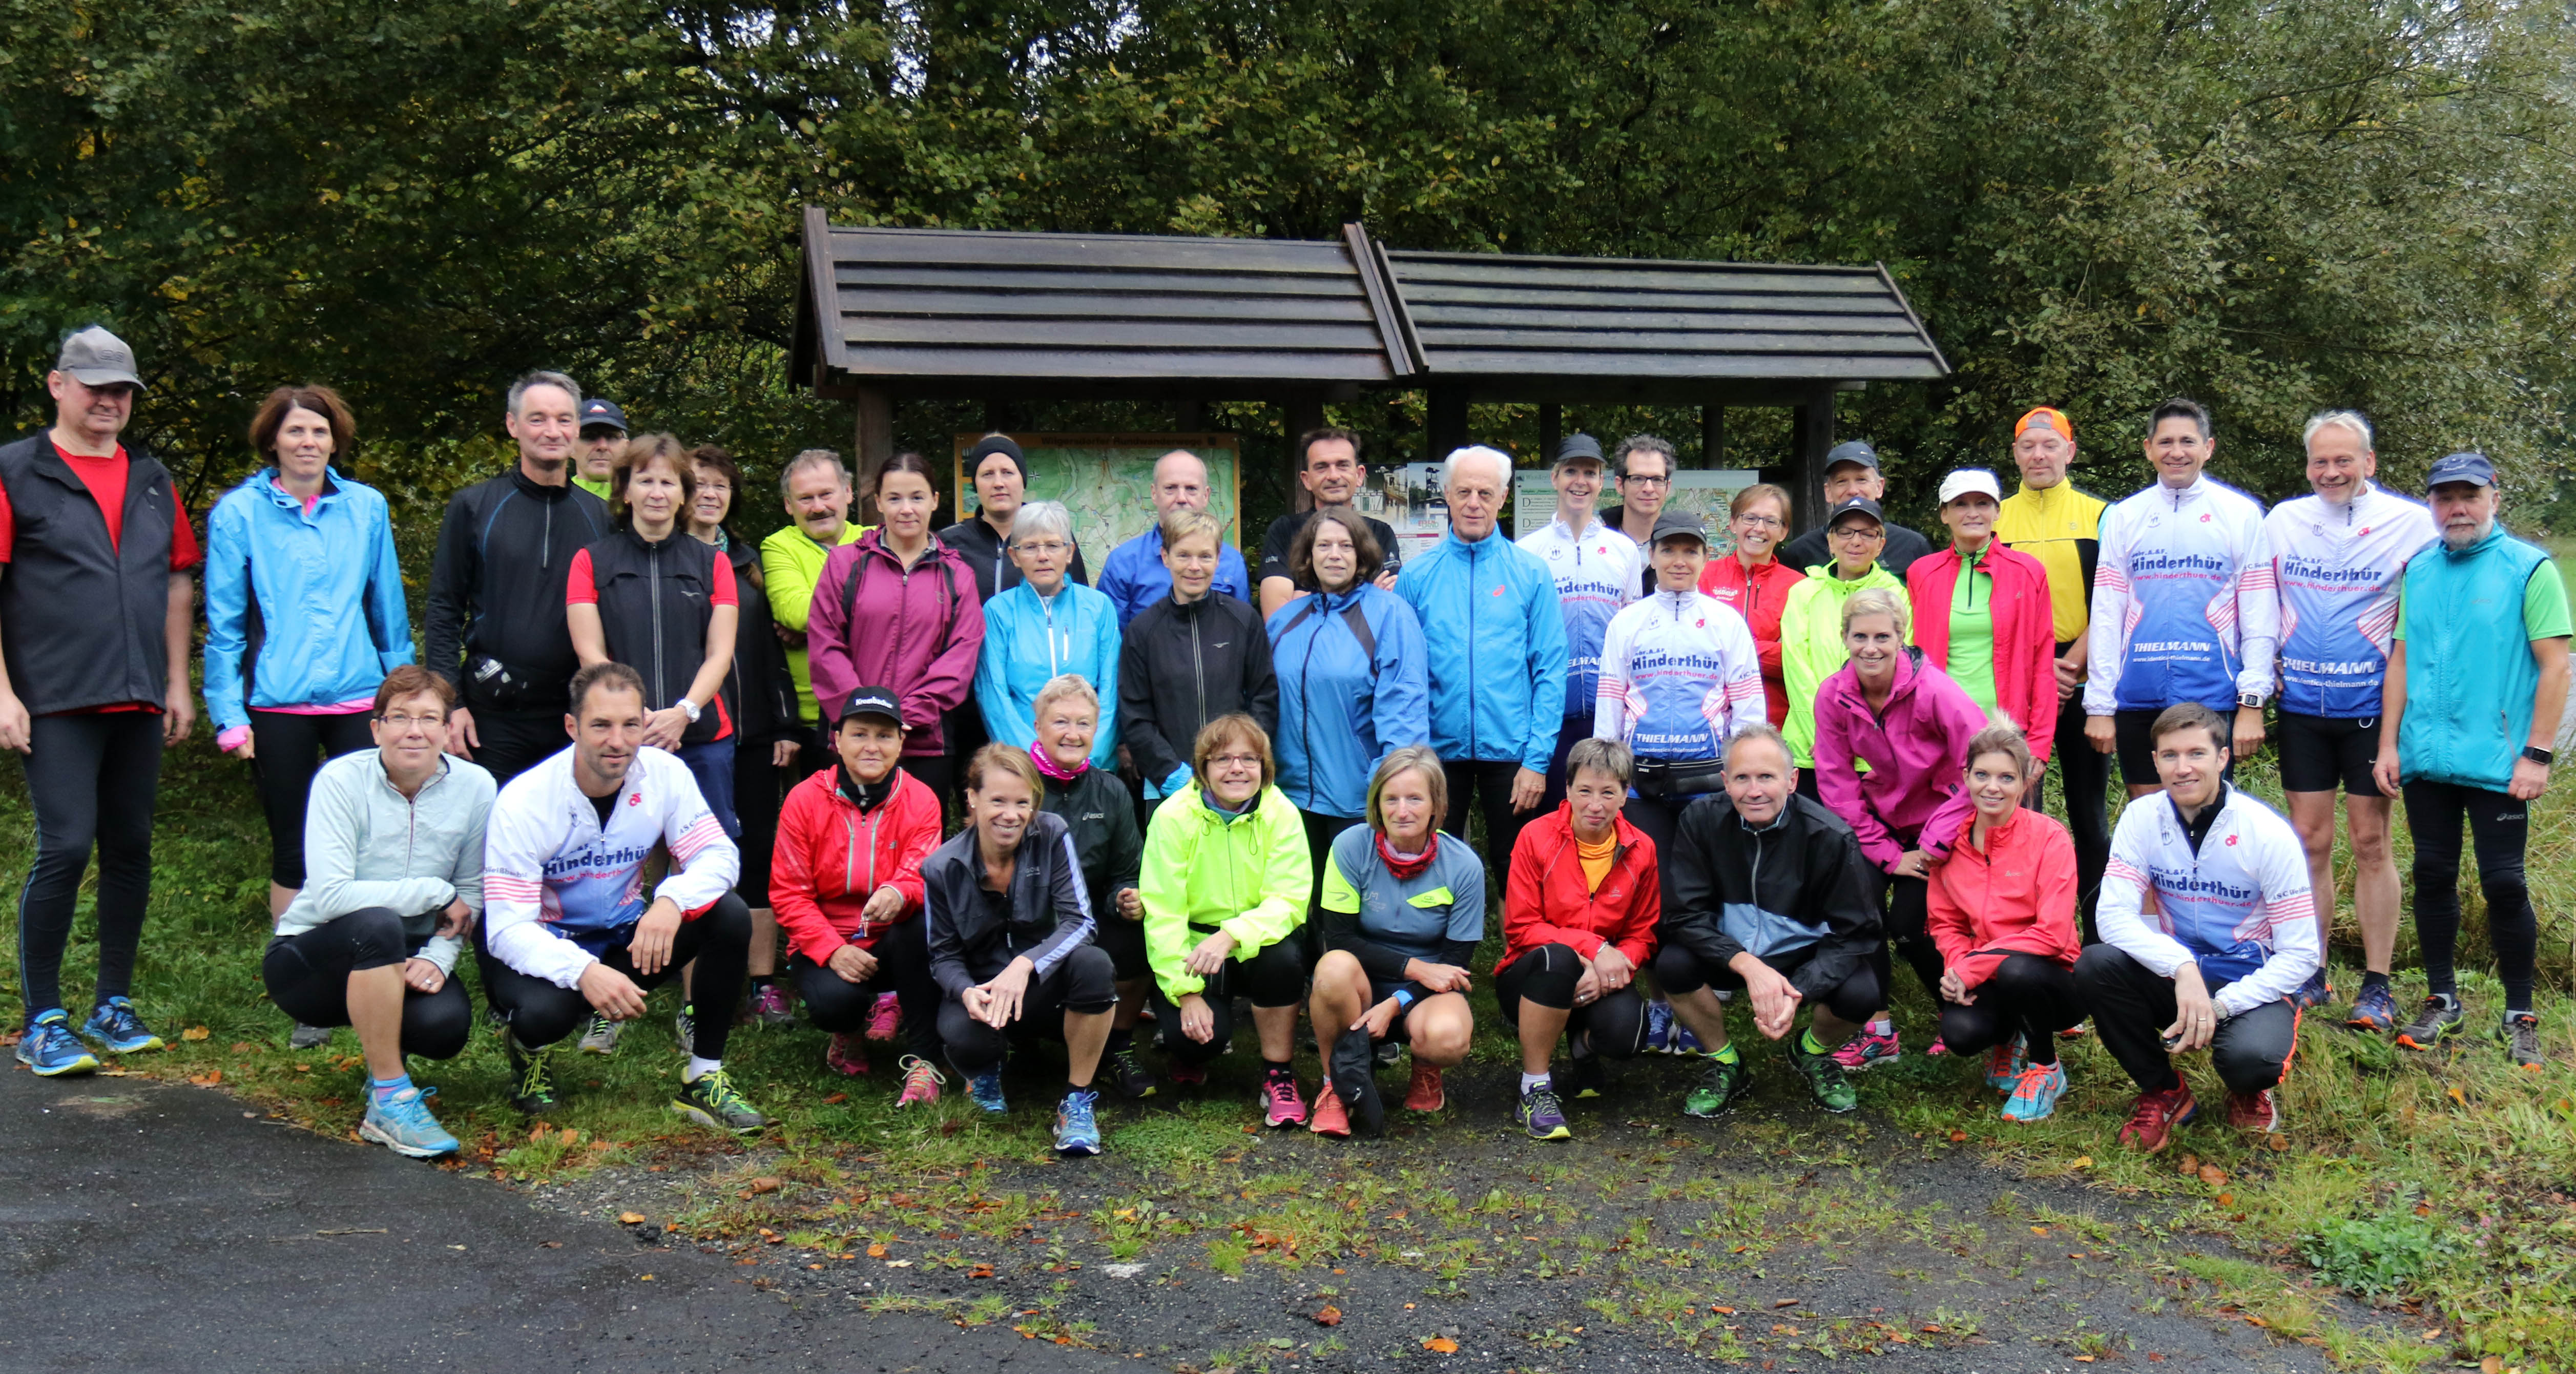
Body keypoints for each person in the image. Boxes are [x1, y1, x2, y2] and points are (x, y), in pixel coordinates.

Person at [3, 326, 199, 1077]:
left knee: (131, 847)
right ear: (59, 386)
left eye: (122, 390)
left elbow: (177, 579)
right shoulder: (17, 471)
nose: (109, 401)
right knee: (66, 846)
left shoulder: (152, 479)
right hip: (54, 694)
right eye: (95, 388)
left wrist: (176, 681)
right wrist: (3, 693)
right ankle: (42, 1020)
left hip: (138, 691)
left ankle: (112, 1004)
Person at [481, 662, 766, 1132]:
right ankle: (530, 1052)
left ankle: (703, 1078)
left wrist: (671, 901)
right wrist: (583, 971)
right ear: (572, 726)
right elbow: (508, 930)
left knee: (728, 915)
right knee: (547, 1015)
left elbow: (719, 856)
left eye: (631, 725)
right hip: (545, 943)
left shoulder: (665, 773)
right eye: (601, 725)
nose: (618, 741)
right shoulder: (524, 800)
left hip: (622, 934)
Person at [2376, 452, 2570, 1069]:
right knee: (2432, 874)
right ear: (2431, 504)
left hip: (2500, 761)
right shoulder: (2420, 569)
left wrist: (2537, 754)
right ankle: (2442, 998)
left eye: (2470, 496)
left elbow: (2556, 666)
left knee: (2504, 882)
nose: (2457, 508)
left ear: (2494, 499)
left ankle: (2520, 1013)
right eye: (2445, 497)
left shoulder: (2530, 568)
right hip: (2427, 758)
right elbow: (2401, 659)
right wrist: (2389, 745)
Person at [204, 384, 412, 926]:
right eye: (295, 430)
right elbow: (226, 625)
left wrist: (404, 697)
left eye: (319, 431)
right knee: (294, 847)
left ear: (334, 441)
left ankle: (366, 959)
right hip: (277, 702)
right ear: (272, 440)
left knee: (366, 842)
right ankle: (295, 965)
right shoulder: (238, 514)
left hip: (359, 699)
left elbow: (388, 610)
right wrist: (228, 714)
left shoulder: (366, 508)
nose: (308, 441)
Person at [261, 667, 489, 1157]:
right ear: (375, 729)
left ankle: (382, 1061)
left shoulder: (476, 787)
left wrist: (439, 958)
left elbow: (471, 890)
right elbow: (331, 896)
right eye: (399, 717)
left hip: (406, 953)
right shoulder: (340, 780)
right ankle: (390, 1100)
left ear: (448, 728)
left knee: (445, 1027)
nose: (414, 731)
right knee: (377, 923)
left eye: (429, 718)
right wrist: (434, 891)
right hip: (311, 959)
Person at [2076, 703, 2317, 1151]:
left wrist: (2222, 1007)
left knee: (2252, 1061)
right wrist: (2182, 967)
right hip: (2177, 970)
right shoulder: (2142, 818)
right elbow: (2111, 917)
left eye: (2196, 754)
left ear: (2222, 758)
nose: (2182, 768)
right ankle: (2165, 1091)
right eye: (2170, 756)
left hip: (2249, 977)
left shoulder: (2267, 832)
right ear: (2155, 762)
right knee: (2095, 965)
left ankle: (2248, 1088)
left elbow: (2302, 954)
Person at [2262, 412, 2435, 1026]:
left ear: (2370, 462)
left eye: (2344, 460)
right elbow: (2259, 599)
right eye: (2321, 461)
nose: (2331, 472)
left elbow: (2429, 612)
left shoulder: (2412, 522)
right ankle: (2312, 972)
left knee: (2370, 842)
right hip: (2303, 709)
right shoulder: (2284, 520)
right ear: (2308, 465)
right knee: (2309, 841)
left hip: (2369, 711)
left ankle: (2378, 985)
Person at [1656, 726, 1883, 1116]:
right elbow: (1684, 914)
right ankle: (1725, 1061)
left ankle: (1811, 1051)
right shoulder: (1700, 820)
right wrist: (1747, 965)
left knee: (1862, 994)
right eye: (1742, 778)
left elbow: (1857, 933)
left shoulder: (1830, 837)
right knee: (1672, 965)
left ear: (1792, 780)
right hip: (1730, 951)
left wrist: (1799, 990)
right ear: (1725, 782)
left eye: (1766, 777)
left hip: (1801, 954)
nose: (1754, 790)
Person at [1812, 587, 1985, 1069]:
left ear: (1901, 636)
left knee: (1910, 926)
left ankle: (1957, 1009)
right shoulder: (1834, 694)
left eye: (1882, 637)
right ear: (1844, 638)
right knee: (1858, 910)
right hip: (1881, 825)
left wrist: (1931, 846)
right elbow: (1837, 783)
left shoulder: (1935, 690)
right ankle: (1878, 1030)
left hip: (1941, 824)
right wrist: (1888, 855)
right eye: (1860, 637)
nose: (1871, 648)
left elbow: (1981, 765)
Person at [922, 744, 1117, 1154]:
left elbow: (1081, 921)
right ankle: (986, 1069)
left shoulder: (1052, 834)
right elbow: (943, 957)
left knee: (1094, 965)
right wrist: (965, 992)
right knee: (964, 1039)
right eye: (998, 801)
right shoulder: (941, 867)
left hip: (1042, 982)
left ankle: (1077, 1100)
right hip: (983, 992)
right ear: (972, 798)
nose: (1010, 815)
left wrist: (1026, 964)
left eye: (1022, 803)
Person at [2083, 399, 2278, 799]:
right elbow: (2106, 613)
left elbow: (2259, 614)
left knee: (2205, 812)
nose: (2177, 452)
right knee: (2148, 814)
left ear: (2208, 448)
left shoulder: (2241, 514)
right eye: (2166, 442)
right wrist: (2100, 705)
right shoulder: (2124, 516)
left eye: (2188, 441)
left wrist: (2253, 702)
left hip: (2211, 693)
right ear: (2148, 448)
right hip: (2137, 695)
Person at [424, 370, 611, 785]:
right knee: (492, 825)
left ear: (576, 428)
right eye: (537, 419)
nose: (552, 431)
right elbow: (444, 609)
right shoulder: (474, 506)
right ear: (513, 425)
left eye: (564, 419)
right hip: (492, 713)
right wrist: (449, 703)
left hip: (574, 713)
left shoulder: (601, 517)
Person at [1394, 445, 1570, 884]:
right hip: (1435, 750)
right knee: (1429, 863)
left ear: (1503, 497)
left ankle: (1516, 935)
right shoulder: (1417, 575)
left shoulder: (1530, 573)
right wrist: (1411, 753)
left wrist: (1537, 760)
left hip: (1513, 748)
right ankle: (1438, 935)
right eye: (1464, 492)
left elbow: (1550, 669)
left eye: (1486, 493)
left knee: (1517, 869)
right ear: (1448, 495)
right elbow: (1401, 674)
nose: (1474, 503)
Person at [1137, 714, 1314, 1126]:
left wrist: (1232, 935)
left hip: (1252, 946)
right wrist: (1186, 993)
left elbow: (1289, 900)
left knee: (1285, 957)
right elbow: (1163, 912)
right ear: (1203, 768)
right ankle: (1189, 1052)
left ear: (1264, 767)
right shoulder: (1171, 816)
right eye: (1223, 759)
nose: (1237, 769)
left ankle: (1278, 1075)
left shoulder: (1282, 813)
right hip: (1193, 950)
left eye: (1249, 759)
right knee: (1198, 1041)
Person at [771, 686, 946, 1099]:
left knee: (924, 923)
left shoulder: (922, 800)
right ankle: (846, 1032)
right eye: (859, 734)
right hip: (826, 940)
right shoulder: (803, 800)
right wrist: (831, 949)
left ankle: (924, 1061)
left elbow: (922, 875)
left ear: (901, 742)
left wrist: (900, 893)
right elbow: (789, 893)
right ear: (836, 740)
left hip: (892, 938)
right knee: (835, 1004)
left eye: (884, 736)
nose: (872, 746)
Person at [1266, 508, 1429, 951]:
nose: (1334, 555)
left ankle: (1355, 984)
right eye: (1324, 545)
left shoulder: (1389, 615)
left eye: (1346, 546)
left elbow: (1403, 709)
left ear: (1362, 555)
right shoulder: (1285, 620)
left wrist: (1387, 788)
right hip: (1290, 796)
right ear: (1308, 554)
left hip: (1356, 795)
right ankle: (1303, 981)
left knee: (1350, 911)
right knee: (1297, 904)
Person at [567, 434, 740, 834]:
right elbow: (589, 651)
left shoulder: (713, 563)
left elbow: (720, 653)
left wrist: (684, 713)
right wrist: (634, 718)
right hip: (620, 738)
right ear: (626, 491)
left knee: (704, 851)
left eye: (668, 482)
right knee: (621, 848)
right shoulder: (591, 560)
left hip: (702, 734)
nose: (657, 493)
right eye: (645, 481)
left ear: (683, 495)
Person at [1306, 746, 1483, 1138]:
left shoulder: (1465, 866)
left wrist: (1396, 1002)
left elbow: (1455, 962)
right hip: (1362, 981)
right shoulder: (1349, 847)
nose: (1402, 811)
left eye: (1415, 798)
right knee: (1331, 970)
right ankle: (1335, 1085)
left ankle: (1426, 1069)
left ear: (1436, 805)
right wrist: (1415, 968)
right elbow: (1340, 939)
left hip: (1429, 992)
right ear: (1377, 804)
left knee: (1448, 1037)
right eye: (1391, 799)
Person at [687, 444, 804, 1032]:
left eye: (721, 485)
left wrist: (784, 723)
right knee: (695, 854)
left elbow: (769, 653)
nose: (710, 494)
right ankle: (704, 985)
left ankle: (762, 982)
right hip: (692, 732)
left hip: (755, 731)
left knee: (757, 849)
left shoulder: (749, 563)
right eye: (699, 484)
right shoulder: (668, 561)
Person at [1494, 738, 1658, 1140]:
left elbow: (1643, 933)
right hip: (1530, 976)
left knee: (1628, 1036)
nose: (1595, 805)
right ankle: (1534, 1088)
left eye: (1608, 793)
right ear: (1567, 789)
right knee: (1558, 959)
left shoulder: (1642, 849)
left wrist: (1611, 968)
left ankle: (1582, 1047)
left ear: (1625, 795)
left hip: (1600, 980)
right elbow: (1521, 926)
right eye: (1585, 791)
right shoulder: (1535, 836)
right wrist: (1594, 949)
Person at [1925, 722, 2084, 1122]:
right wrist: (1956, 967)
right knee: (1961, 1035)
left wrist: (1972, 966)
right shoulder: (1951, 844)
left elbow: (2052, 934)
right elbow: (1945, 923)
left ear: (2026, 782)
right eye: (1982, 775)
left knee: (2018, 970)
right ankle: (2008, 1040)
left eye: (2006, 778)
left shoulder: (2050, 837)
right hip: (1988, 974)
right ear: (1966, 777)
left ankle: (2046, 1069)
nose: (1992, 787)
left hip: (2052, 979)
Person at [807, 452, 987, 800]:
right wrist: (864, 715)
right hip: (851, 740)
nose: (906, 509)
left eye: (917, 498)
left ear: (935, 501)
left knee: (921, 836)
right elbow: (825, 643)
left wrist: (904, 717)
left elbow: (961, 657)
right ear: (878, 502)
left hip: (925, 744)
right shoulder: (845, 563)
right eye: (894, 499)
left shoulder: (958, 575)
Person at [1593, 511, 1764, 868]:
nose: (1679, 561)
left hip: (1708, 782)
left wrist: (1746, 776)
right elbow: (1609, 704)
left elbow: (1748, 710)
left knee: (1706, 879)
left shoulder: (1727, 622)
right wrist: (1605, 778)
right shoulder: (1626, 622)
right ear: (1652, 557)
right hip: (1641, 782)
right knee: (1651, 882)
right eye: (1669, 550)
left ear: (1705, 558)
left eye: (1691, 551)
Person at [1993, 407, 2112, 921]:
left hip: (2084, 678)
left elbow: (2116, 600)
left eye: (2050, 446)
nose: (2038, 456)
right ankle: (2026, 929)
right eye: (2028, 446)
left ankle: (2099, 933)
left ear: (2071, 451)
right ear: (2015, 454)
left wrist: (2072, 663)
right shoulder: (1995, 516)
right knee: (2017, 813)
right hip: (2017, 684)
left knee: (2089, 814)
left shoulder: (2101, 515)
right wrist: (2037, 673)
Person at [1028, 676, 1154, 1099]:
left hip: (1089, 920)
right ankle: (1013, 1043)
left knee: (1143, 931)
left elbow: (1126, 870)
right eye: (1061, 722)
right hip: (1027, 923)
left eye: (1083, 724)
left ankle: (1117, 1046)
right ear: (1038, 727)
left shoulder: (1111, 790)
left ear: (1096, 730)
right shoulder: (1018, 784)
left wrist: (1125, 897)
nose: (1073, 734)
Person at [1119, 508, 1278, 819]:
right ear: (1165, 557)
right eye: (1183, 555)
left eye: (1205, 556)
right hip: (1169, 789)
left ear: (1218, 559)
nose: (1194, 567)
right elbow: (1136, 715)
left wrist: (1243, 761)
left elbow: (1264, 697)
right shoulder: (1143, 630)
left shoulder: (1243, 620)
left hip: (1237, 783)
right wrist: (1173, 775)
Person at [1518, 433, 1641, 805]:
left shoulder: (1624, 550)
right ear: (1554, 478)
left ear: (1602, 482)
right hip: (1549, 715)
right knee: (1554, 816)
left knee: (1605, 814)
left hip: (1610, 713)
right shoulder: (1528, 552)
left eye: (1590, 473)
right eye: (1571, 471)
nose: (1580, 481)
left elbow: (1633, 632)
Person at [1907, 469, 2058, 765]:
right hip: (1938, 731)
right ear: (1944, 514)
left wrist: (2040, 743)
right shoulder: (1921, 573)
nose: (1973, 513)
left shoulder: (2028, 572)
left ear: (1997, 512)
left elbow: (2042, 661)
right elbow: (1910, 659)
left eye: (1983, 504)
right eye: (1961, 504)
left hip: (2007, 732)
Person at [974, 501, 1121, 769]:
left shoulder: (1099, 608)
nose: (1043, 556)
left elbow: (1111, 690)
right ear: (1014, 556)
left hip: (1092, 765)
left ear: (1069, 552)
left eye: (1053, 545)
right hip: (1023, 767)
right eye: (1030, 547)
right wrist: (1032, 762)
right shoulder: (998, 612)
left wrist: (1088, 757)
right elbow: (993, 696)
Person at [1780, 496, 1904, 796]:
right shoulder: (1803, 593)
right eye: (1846, 532)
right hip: (1809, 748)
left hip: (1874, 754)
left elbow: (1897, 670)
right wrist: (1824, 736)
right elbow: (1796, 667)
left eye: (1868, 534)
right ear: (1831, 541)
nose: (1856, 542)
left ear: (1881, 545)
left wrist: (1861, 739)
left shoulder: (1895, 594)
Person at [759, 449, 869, 740]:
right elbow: (796, 613)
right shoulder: (779, 546)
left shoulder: (874, 539)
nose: (818, 507)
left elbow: (906, 611)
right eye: (806, 498)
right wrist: (871, 612)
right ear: (788, 505)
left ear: (848, 493)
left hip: (876, 705)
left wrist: (816, 629)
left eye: (826, 494)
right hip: (812, 717)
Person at [1257, 427, 1403, 618]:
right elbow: (1278, 618)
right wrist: (1364, 597)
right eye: (1322, 467)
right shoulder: (1284, 531)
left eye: (1343, 465)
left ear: (1359, 475)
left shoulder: (1380, 533)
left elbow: (1390, 610)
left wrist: (1304, 599)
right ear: (1306, 480)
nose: (1334, 476)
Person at [1097, 449, 1252, 627]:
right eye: (1171, 488)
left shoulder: (1232, 562)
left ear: (1206, 495)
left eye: (1191, 489)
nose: (1181, 498)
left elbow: (1243, 630)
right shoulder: (1123, 562)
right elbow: (1112, 636)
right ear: (1154, 494)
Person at [1696, 484, 1802, 728]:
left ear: (1783, 531)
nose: (1759, 528)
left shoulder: (1799, 587)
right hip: (1708, 723)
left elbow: (1798, 659)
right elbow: (1694, 648)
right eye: (1750, 518)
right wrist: (1768, 648)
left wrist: (1731, 648)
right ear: (1733, 523)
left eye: (1771, 521)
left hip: (1775, 723)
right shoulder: (1704, 576)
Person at [940, 433, 1091, 600]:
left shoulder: (1056, 536)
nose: (998, 483)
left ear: (1023, 481)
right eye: (988, 474)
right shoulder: (950, 543)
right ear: (976, 484)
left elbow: (1080, 601)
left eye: (1007, 473)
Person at [1775, 441, 1935, 577]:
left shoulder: (1912, 546)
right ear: (1828, 492)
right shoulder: (1800, 552)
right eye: (1842, 481)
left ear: (1880, 487)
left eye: (1862, 480)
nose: (1853, 490)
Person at [1598, 435, 1676, 597]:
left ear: (1667, 487)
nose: (1649, 488)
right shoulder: (1597, 542)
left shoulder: (1680, 546)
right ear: (1620, 485)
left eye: (1657, 479)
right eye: (1638, 479)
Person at [572, 397, 629, 501]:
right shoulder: (552, 501)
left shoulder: (644, 501)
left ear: (627, 447)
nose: (602, 446)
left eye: (612, 437)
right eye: (590, 437)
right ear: (571, 447)